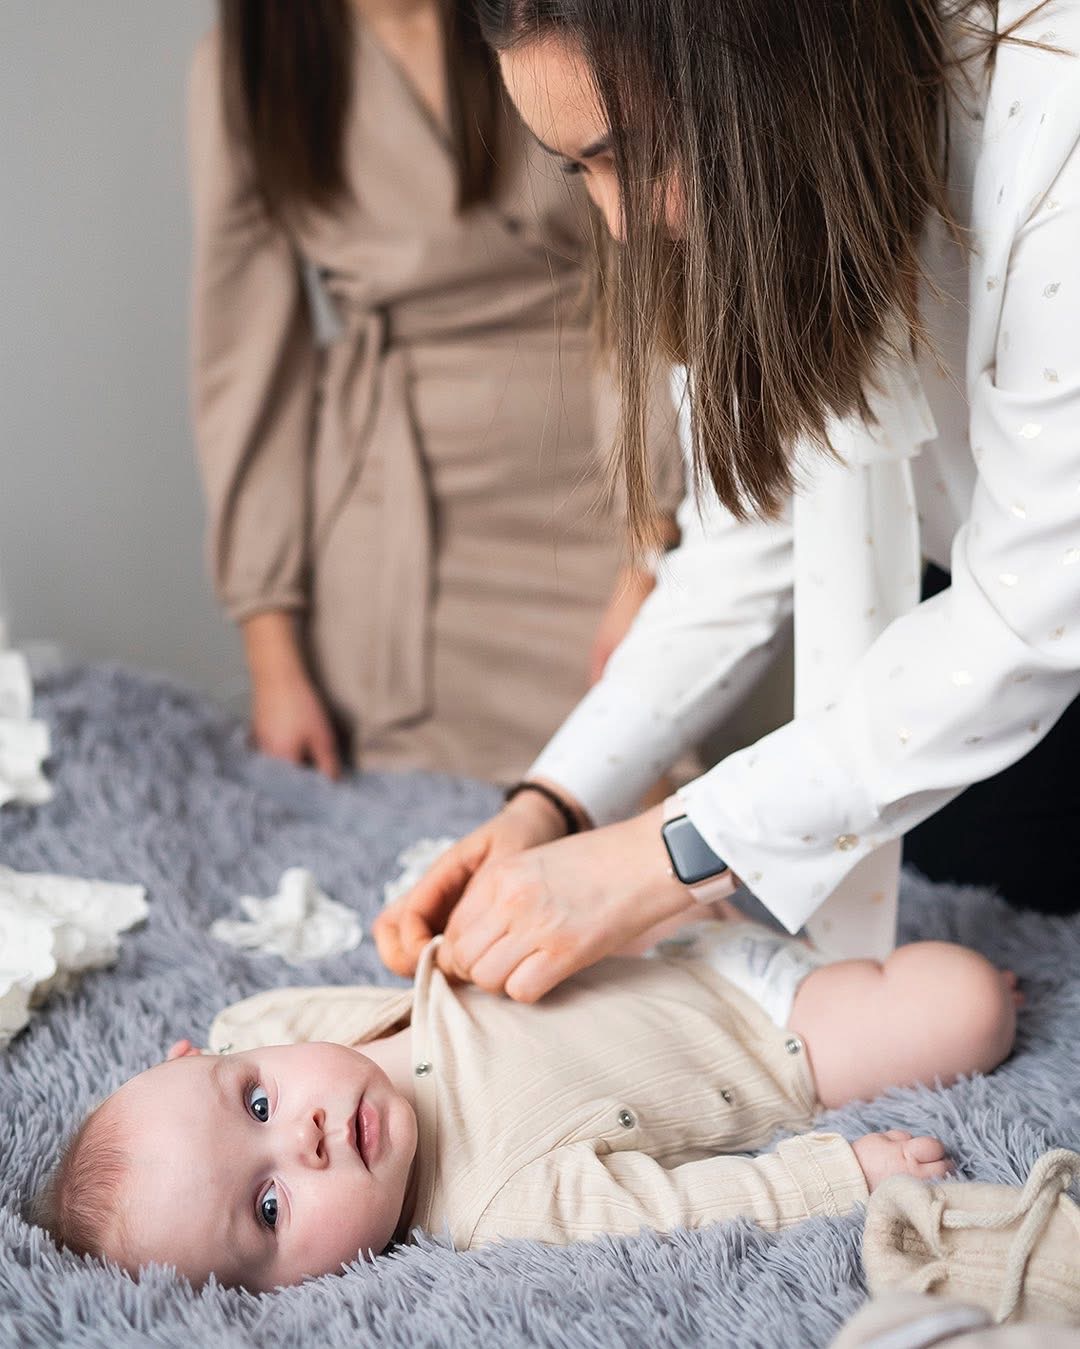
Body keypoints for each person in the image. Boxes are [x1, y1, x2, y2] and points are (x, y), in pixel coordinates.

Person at [374, 0, 1080, 1001]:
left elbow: (1029, 608)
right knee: (953, 861)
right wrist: (554, 804)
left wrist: (657, 861)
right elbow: (738, 543)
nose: (618, 225)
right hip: (984, 601)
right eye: (581, 170)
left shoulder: (1057, 102)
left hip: (1033, 606)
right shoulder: (766, 193)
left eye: (633, 152)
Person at [189, 0, 682, 783]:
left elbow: (648, 276)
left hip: (602, 495)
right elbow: (247, 369)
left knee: (639, 816)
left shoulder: (550, 22)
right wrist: (273, 660)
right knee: (418, 857)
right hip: (399, 542)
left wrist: (647, 550)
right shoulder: (246, 71)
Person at [32, 921, 1020, 1289]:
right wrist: (842, 1170)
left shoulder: (279, 1021)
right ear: (289, 1290)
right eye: (271, 1207)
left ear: (217, 1048)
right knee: (968, 1004)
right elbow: (684, 1209)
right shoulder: (499, 1199)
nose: (308, 1134)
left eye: (255, 1100)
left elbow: (249, 1032)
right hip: (774, 1026)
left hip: (639, 925)